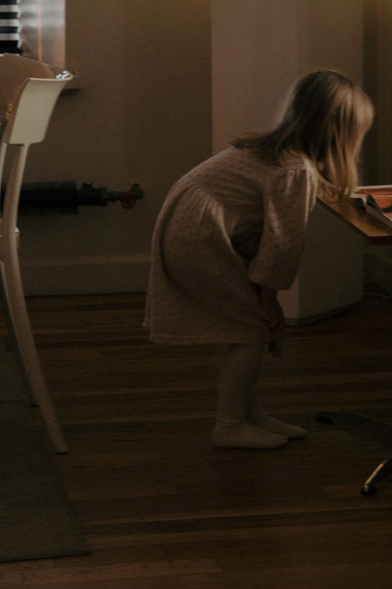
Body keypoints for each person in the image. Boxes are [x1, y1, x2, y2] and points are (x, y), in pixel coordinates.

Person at [145, 69, 373, 449]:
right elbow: (283, 243)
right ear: (340, 134)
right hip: (201, 238)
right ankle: (229, 426)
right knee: (250, 332)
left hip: (190, 228)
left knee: (245, 329)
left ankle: (250, 415)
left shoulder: (267, 150)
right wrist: (269, 298)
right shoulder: (295, 169)